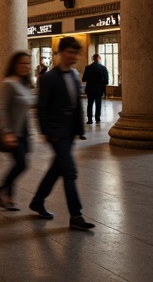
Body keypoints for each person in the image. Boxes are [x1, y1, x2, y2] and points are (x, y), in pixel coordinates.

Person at [29, 36, 93, 230]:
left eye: (76, 53)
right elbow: (42, 108)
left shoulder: (74, 75)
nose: (74, 56)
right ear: (61, 53)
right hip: (56, 133)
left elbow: (76, 105)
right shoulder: (49, 78)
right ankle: (76, 215)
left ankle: (37, 201)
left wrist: (79, 130)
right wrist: (47, 132)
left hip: (70, 131)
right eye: (71, 52)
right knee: (70, 171)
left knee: (57, 169)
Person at [0, 51, 34, 211]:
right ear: (15, 65)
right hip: (13, 131)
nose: (26, 66)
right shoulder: (9, 83)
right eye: (22, 63)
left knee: (19, 163)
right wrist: (7, 132)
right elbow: (2, 109)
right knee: (21, 164)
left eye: (28, 63)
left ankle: (6, 195)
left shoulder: (25, 83)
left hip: (24, 130)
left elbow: (30, 101)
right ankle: (3, 191)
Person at [81, 54, 108, 124]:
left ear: (93, 59)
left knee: (90, 104)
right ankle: (97, 118)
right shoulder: (103, 68)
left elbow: (84, 79)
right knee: (98, 103)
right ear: (99, 58)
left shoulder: (88, 67)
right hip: (99, 89)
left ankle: (90, 119)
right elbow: (106, 81)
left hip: (90, 89)